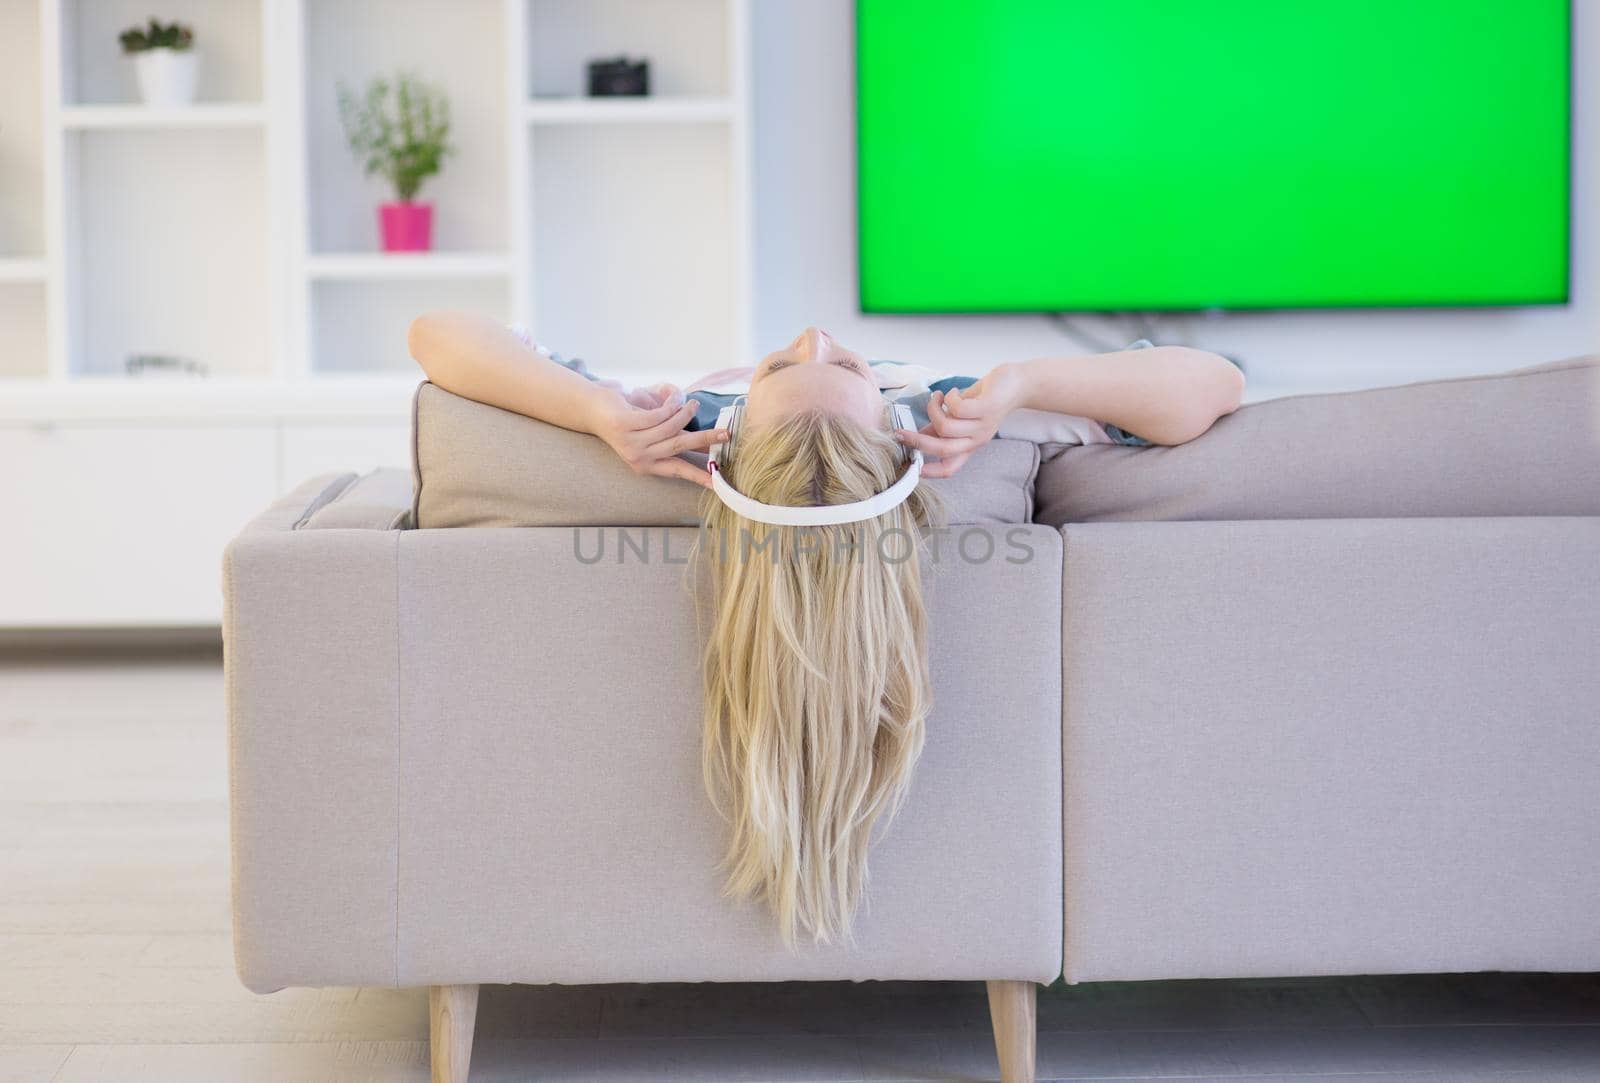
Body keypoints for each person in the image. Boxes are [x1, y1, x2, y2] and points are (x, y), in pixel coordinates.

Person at [407, 312, 1244, 949]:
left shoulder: (678, 417)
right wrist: (1021, 385)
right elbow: (1216, 383)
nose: (812, 334)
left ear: (726, 428)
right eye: (844, 362)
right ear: (899, 427)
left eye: (783, 364)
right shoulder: (953, 414)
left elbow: (434, 335)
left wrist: (593, 408)